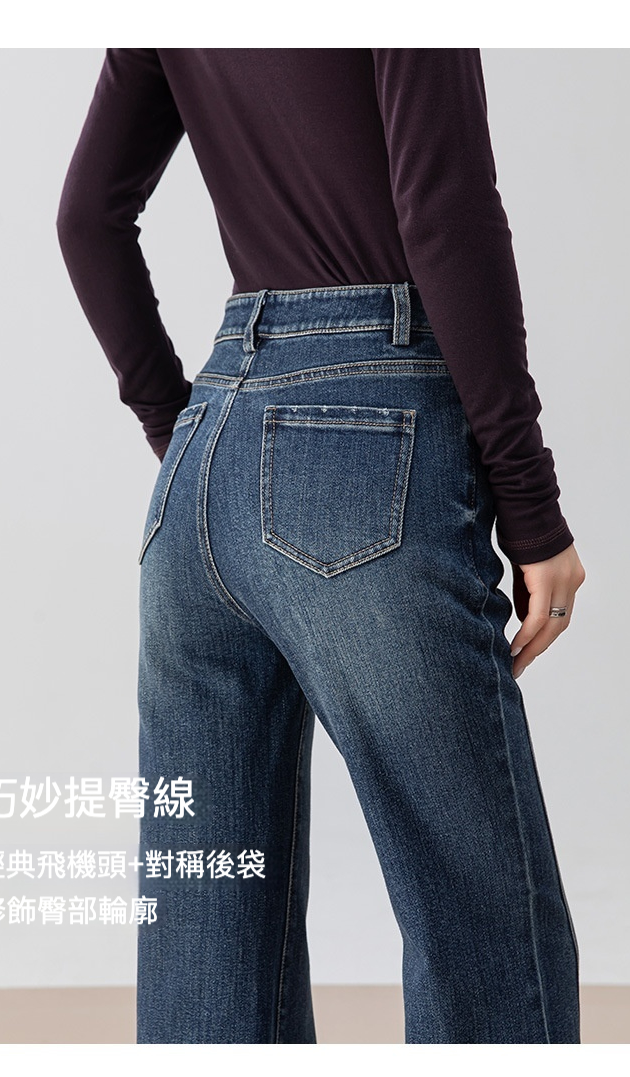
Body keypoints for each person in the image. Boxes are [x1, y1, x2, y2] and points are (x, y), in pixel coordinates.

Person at [56, 48, 586, 1045]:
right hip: (369, 420)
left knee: (208, 926)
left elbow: (86, 219)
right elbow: (445, 213)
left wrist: (183, 433)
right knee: (482, 912)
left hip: (205, 453)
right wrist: (531, 505)